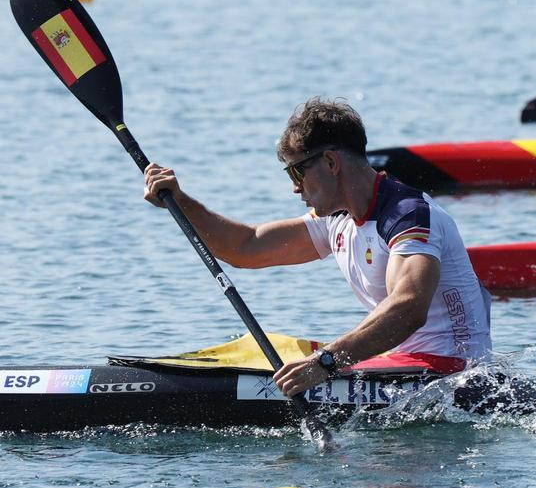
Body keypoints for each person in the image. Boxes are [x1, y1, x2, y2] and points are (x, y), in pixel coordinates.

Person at [143, 97, 492, 397]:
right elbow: (245, 247)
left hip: (450, 372)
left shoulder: (407, 215)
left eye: (296, 173)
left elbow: (408, 308)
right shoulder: (337, 218)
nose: (296, 189)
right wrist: (182, 201)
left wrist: (325, 362)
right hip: (400, 364)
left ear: (330, 162)